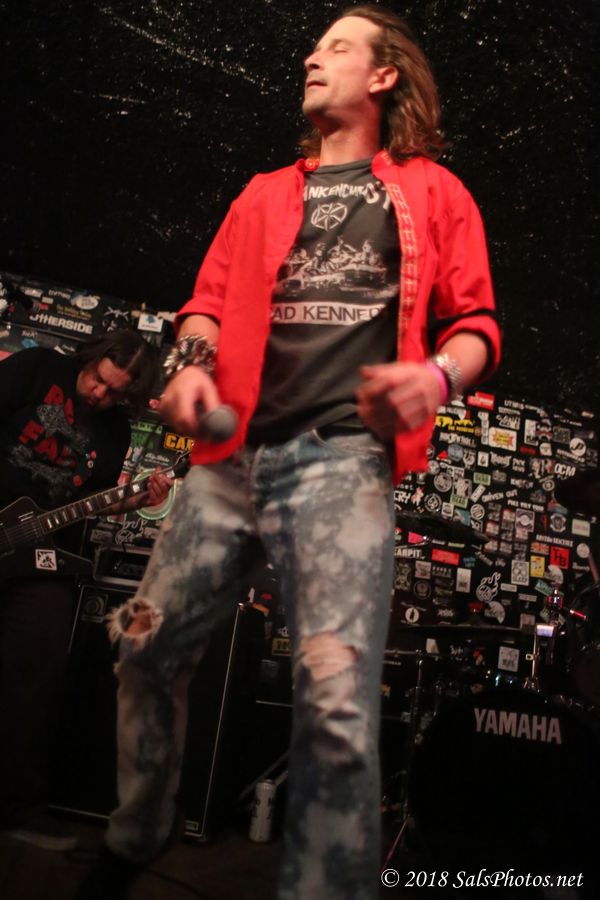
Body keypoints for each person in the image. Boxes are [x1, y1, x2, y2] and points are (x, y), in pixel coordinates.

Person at [77, 6, 501, 899]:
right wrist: (192, 370)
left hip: (342, 465)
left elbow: (476, 327)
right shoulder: (263, 192)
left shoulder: (434, 191)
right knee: (143, 645)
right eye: (314, 46)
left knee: (337, 704)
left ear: (383, 75)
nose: (312, 57)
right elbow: (203, 307)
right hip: (225, 466)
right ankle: (136, 834)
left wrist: (436, 378)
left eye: (336, 46)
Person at [0, 329, 172, 850]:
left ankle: (17, 806)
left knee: (37, 675)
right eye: (99, 379)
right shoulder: (36, 368)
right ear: (91, 358)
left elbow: (93, 500)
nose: (100, 394)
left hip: (41, 557)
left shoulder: (114, 430)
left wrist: (134, 500)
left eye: (116, 392)